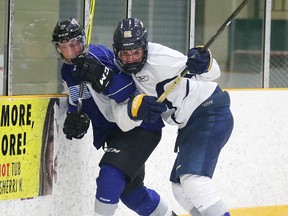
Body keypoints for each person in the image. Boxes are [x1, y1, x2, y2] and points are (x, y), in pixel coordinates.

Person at [109, 17, 234, 216]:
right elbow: (121, 119)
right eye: (125, 54)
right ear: (117, 52)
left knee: (193, 179)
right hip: (190, 123)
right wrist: (136, 110)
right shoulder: (120, 74)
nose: (131, 58)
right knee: (180, 189)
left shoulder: (160, 59)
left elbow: (212, 73)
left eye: (136, 52)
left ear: (144, 48)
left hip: (209, 110)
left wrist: (204, 63)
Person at [51, 18, 176, 216]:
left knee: (109, 178)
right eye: (65, 47)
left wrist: (103, 76)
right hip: (116, 133)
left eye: (74, 44)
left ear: (82, 41)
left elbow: (130, 87)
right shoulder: (68, 72)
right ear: (58, 50)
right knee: (131, 193)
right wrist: (76, 117)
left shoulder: (99, 55)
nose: (72, 51)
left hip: (139, 125)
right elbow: (78, 101)